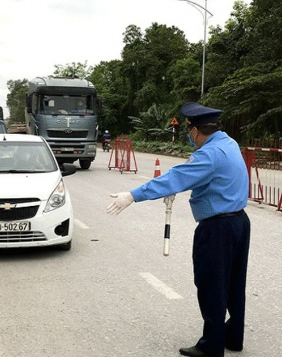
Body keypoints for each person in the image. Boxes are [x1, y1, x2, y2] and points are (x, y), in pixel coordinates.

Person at [107, 102, 250, 357]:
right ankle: (233, 337)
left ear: (195, 131)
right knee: (234, 284)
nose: (189, 136)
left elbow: (175, 178)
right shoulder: (227, 143)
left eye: (189, 131)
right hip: (239, 222)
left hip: (217, 228)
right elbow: (205, 177)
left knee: (211, 284)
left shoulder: (209, 154)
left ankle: (211, 346)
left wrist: (132, 195)